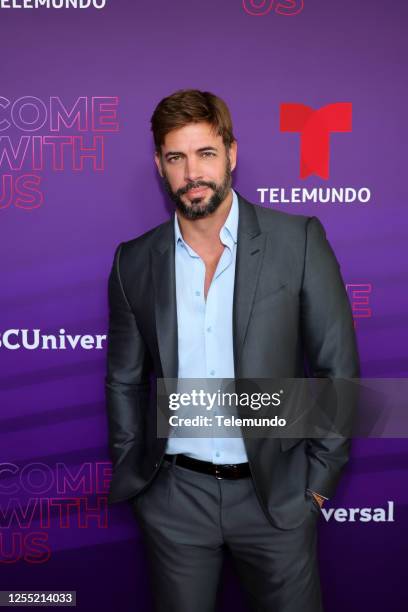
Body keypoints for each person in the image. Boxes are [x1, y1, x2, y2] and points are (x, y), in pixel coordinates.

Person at [105, 89, 359, 612]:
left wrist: (316, 487)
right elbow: (125, 381)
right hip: (175, 499)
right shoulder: (134, 261)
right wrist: (141, 480)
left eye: (206, 154)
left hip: (278, 499)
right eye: (176, 157)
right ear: (160, 165)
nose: (192, 172)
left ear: (232, 154)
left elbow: (337, 369)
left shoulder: (299, 241)